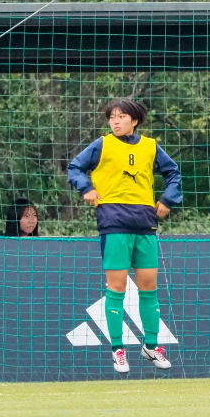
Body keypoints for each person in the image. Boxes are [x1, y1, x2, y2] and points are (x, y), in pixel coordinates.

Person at [68, 98, 182, 373]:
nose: (115, 121)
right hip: (113, 221)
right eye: (111, 117)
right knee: (116, 289)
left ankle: (151, 347)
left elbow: (173, 173)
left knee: (149, 289)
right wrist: (86, 188)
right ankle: (118, 350)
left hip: (145, 222)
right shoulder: (102, 144)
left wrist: (168, 199)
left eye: (121, 117)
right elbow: (74, 167)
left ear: (134, 120)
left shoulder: (150, 146)